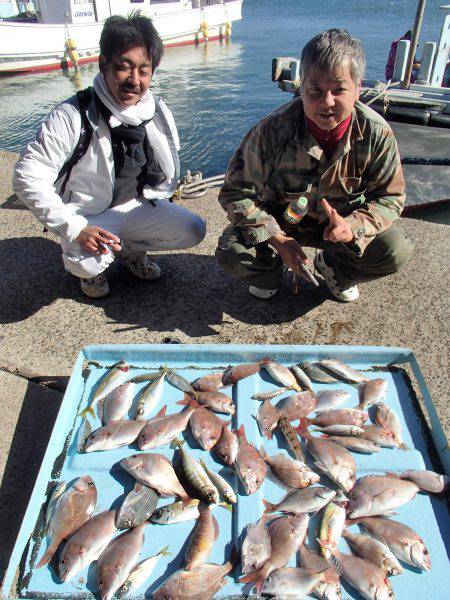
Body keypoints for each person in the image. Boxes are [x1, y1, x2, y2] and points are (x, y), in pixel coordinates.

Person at [13, 12, 206, 298]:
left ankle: (130, 250)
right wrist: (75, 228)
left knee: (193, 229)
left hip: (137, 204)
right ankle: (93, 271)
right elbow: (26, 176)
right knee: (86, 262)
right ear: (103, 65)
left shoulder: (155, 109)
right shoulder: (72, 114)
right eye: (123, 67)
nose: (134, 80)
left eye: (144, 70)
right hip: (89, 213)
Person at [215, 29, 413, 302]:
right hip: (281, 223)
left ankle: (335, 269)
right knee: (233, 252)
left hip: (340, 230)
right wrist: (276, 239)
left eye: (339, 89)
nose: (327, 102)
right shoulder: (271, 129)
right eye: (316, 89)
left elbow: (390, 198)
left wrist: (352, 227)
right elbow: (235, 193)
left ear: (357, 88)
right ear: (302, 86)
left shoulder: (377, 133)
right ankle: (272, 270)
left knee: (395, 249)